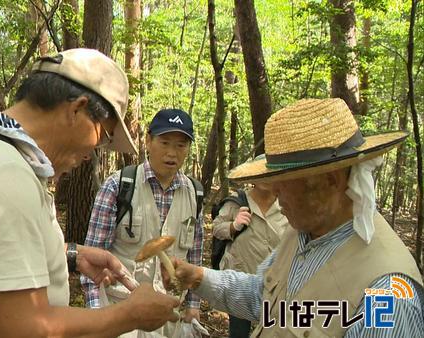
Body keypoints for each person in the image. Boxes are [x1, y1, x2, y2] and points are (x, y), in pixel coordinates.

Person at [0, 48, 180, 337]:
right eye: (102, 137)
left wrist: (69, 256)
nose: (92, 153)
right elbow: (27, 329)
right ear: (77, 109)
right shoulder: (3, 176)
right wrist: (130, 314)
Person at [166, 98, 424, 337]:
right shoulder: (301, 233)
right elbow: (264, 297)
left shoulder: (387, 293)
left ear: (330, 180)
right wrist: (199, 277)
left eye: (283, 183)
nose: (275, 194)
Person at [81, 108, 204, 337]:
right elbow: (92, 258)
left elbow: (195, 257)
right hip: (122, 318)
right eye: (165, 142)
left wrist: (193, 306)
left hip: (170, 319)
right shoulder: (119, 186)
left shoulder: (194, 194)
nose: (172, 153)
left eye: (180, 145)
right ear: (148, 141)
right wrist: (96, 316)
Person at [212, 176, 289, 337]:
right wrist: (233, 226)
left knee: (273, 330)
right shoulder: (237, 202)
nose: (267, 179)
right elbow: (217, 229)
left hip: (275, 283)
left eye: (271, 174)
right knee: (239, 331)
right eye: (261, 174)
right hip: (241, 279)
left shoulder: (286, 201)